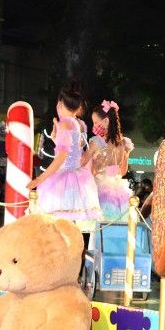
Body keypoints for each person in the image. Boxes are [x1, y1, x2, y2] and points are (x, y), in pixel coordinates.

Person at [27, 80, 102, 224]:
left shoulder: (65, 124)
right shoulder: (79, 124)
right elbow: (74, 150)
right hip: (78, 178)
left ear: (60, 103)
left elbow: (62, 157)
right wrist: (56, 140)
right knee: (69, 226)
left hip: (63, 179)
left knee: (57, 225)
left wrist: (40, 179)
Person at [86, 99, 134, 222]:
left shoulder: (95, 142)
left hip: (98, 188)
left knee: (98, 226)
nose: (94, 126)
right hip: (118, 191)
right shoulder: (123, 143)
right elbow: (122, 172)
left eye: (96, 122)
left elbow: (89, 170)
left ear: (106, 121)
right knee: (117, 225)